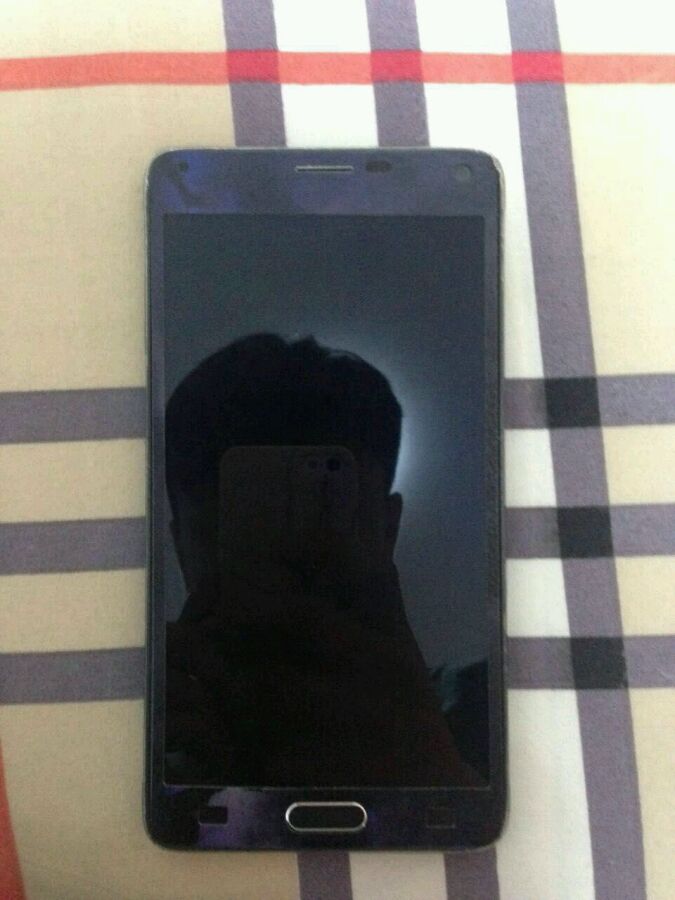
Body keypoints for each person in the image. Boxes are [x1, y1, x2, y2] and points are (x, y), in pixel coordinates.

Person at [164, 333, 476, 786]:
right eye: (248, 520)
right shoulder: (163, 722)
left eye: (318, 515)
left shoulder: (472, 711)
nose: (280, 560)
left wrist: (428, 761)